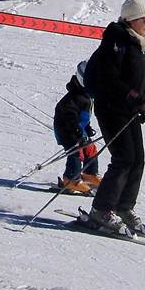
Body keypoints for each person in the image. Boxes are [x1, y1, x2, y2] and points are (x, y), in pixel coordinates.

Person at [84, 0, 145, 237]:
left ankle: (124, 207)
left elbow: (130, 79)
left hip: (127, 110)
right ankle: (101, 210)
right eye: (144, 19)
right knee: (124, 158)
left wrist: (142, 102)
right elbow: (109, 79)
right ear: (132, 19)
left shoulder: (134, 42)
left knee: (137, 159)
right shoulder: (116, 40)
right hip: (111, 109)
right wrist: (134, 97)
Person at [53, 61, 101, 194]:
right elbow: (69, 117)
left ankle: (89, 173)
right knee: (76, 152)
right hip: (67, 131)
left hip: (80, 130)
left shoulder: (86, 95)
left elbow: (83, 116)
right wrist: (77, 129)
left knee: (90, 149)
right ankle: (70, 180)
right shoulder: (74, 98)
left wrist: (87, 127)